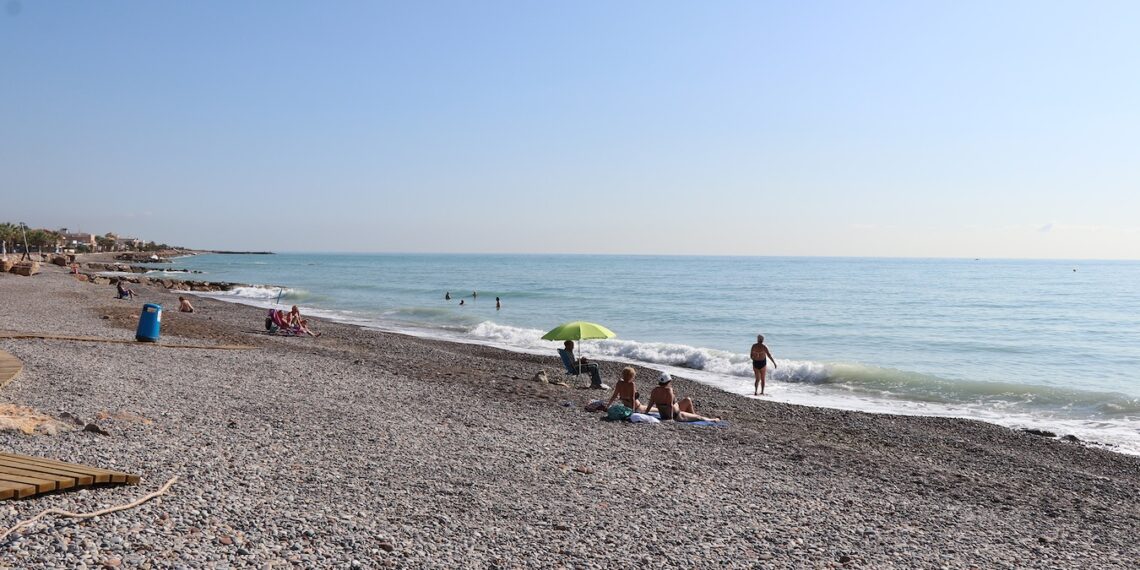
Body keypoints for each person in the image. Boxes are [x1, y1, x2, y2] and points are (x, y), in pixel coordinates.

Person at [647, 373, 719, 422]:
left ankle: (693, 415)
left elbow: (651, 402)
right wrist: (671, 418)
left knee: (687, 400)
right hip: (677, 415)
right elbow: (670, 405)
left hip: (664, 414)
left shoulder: (654, 390)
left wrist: (646, 412)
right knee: (699, 418)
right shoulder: (668, 390)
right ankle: (713, 420)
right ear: (669, 381)